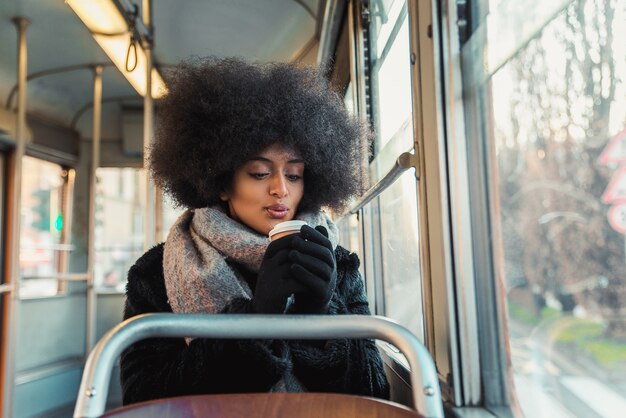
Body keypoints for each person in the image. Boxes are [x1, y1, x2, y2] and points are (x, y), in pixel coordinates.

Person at [120, 57, 390, 405]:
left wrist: (322, 316)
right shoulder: (154, 273)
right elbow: (143, 398)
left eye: (294, 174)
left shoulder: (338, 267)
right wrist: (256, 317)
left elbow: (373, 395)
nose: (281, 189)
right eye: (260, 173)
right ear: (220, 182)